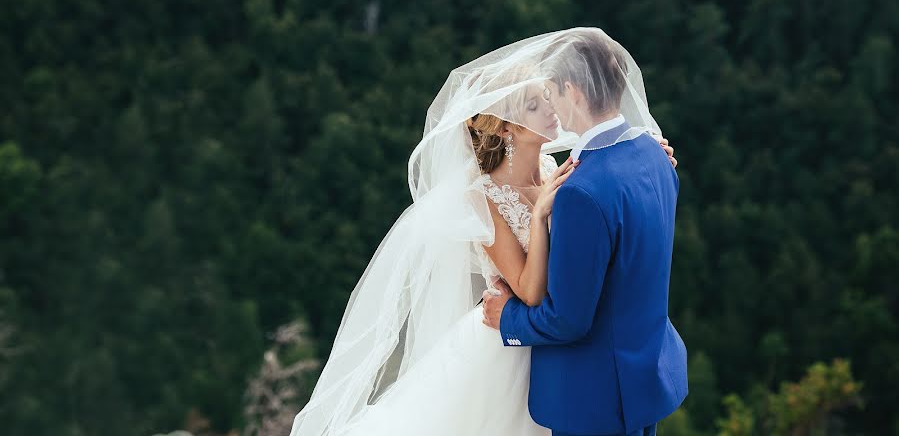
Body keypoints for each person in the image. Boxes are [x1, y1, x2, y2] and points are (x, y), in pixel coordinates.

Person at [289, 27, 679, 436]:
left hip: (555, 350)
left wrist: (651, 155)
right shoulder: (485, 197)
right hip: (510, 349)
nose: (550, 112)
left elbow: (612, 198)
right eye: (533, 106)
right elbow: (529, 292)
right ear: (507, 128)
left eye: (546, 98)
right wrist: (540, 218)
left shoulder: (554, 169)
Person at [482, 30, 688, 436]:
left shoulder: (580, 192)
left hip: (595, 398)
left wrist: (507, 318)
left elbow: (567, 320)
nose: (552, 108)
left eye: (551, 94)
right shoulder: (657, 155)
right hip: (645, 380)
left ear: (572, 92)